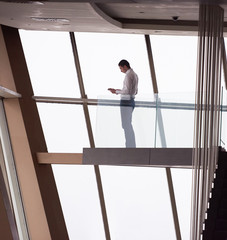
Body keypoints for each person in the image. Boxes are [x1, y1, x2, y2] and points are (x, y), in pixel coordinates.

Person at [108, 59, 138, 148]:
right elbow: (134, 91)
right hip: (131, 100)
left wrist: (116, 91)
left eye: (121, 68)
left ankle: (129, 145)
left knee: (125, 125)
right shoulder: (134, 75)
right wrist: (119, 91)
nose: (121, 70)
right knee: (127, 124)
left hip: (126, 101)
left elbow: (127, 90)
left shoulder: (129, 75)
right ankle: (131, 145)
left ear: (125, 66)